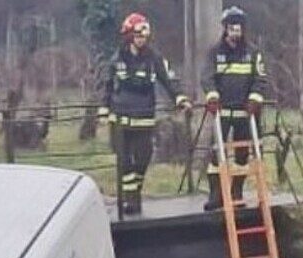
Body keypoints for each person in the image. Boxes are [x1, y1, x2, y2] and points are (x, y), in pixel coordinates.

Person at [99, 12, 192, 215]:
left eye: (144, 36)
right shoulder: (117, 58)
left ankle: (133, 195)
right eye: (138, 36)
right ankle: (132, 201)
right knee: (125, 162)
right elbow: (107, 86)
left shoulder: (154, 58)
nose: (141, 40)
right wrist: (104, 109)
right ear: (129, 36)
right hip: (120, 119)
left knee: (142, 159)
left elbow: (168, 80)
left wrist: (180, 98)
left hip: (144, 117)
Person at [200, 6, 267, 211]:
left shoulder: (253, 53)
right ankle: (215, 195)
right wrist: (212, 96)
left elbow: (260, 79)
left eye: (239, 28)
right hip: (222, 112)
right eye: (232, 28)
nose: (236, 32)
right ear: (225, 29)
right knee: (215, 154)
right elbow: (207, 76)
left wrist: (255, 99)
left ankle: (236, 192)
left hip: (244, 113)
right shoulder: (215, 53)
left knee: (241, 156)